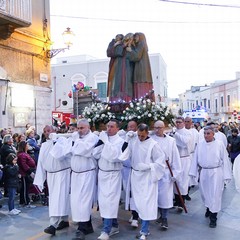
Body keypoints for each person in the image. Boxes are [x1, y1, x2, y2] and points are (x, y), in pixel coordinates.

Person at [120, 123, 166, 240]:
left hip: (148, 177)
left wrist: (148, 166)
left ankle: (144, 231)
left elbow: (160, 163)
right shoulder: (134, 140)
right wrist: (126, 140)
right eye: (139, 135)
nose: (140, 138)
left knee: (147, 204)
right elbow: (123, 154)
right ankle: (145, 229)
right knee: (138, 203)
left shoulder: (153, 145)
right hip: (135, 176)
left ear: (147, 133)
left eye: (143, 136)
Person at [189, 125, 232, 228]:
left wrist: (226, 175)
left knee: (215, 195)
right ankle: (208, 207)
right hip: (204, 172)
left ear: (213, 134)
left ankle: (213, 217)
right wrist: (193, 173)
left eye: (208, 133)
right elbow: (195, 159)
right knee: (205, 193)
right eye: (204, 133)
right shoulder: (200, 144)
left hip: (216, 172)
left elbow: (225, 159)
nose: (206, 135)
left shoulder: (219, 144)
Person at [34, 131, 71, 236]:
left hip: (62, 174)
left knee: (57, 199)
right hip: (51, 175)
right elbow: (41, 161)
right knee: (60, 199)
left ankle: (53, 225)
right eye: (45, 131)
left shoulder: (62, 141)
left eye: (48, 130)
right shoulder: (45, 145)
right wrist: (40, 178)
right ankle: (64, 220)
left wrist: (56, 142)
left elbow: (62, 155)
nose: (47, 133)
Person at [93, 119, 124, 240]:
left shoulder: (121, 141)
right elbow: (95, 153)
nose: (109, 129)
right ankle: (114, 225)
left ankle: (106, 230)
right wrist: (104, 143)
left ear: (117, 129)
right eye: (108, 126)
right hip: (102, 174)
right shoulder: (103, 140)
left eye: (112, 127)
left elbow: (114, 157)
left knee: (110, 202)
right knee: (104, 202)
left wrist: (106, 143)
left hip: (113, 175)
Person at [70, 119, 99, 240]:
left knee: (84, 201)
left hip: (87, 174)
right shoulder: (78, 138)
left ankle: (81, 229)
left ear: (88, 127)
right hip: (76, 175)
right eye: (78, 128)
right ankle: (88, 226)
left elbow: (82, 150)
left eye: (82, 128)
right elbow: (72, 151)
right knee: (76, 201)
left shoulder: (92, 138)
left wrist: (76, 141)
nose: (79, 131)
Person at [152, 120, 181, 230]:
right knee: (156, 197)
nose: (157, 130)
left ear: (164, 128)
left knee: (165, 197)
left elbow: (176, 157)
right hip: (154, 172)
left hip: (166, 172)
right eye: (155, 127)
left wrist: (176, 173)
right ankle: (160, 215)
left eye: (159, 127)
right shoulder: (151, 140)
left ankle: (164, 218)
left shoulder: (171, 141)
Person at [171, 116, 191, 212]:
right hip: (175, 159)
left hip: (184, 159)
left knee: (183, 181)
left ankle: (182, 202)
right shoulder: (173, 132)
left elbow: (184, 142)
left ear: (183, 123)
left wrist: (175, 134)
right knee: (176, 180)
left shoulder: (187, 132)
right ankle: (177, 201)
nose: (178, 124)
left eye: (179, 122)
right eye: (176, 122)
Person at [121, 120, 139, 228]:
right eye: (129, 127)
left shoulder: (139, 139)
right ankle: (133, 213)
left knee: (134, 194)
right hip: (126, 170)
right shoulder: (125, 138)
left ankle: (136, 216)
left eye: (133, 127)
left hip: (136, 171)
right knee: (128, 194)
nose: (131, 129)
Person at [107, 33, 134, 102]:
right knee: (117, 83)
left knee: (125, 83)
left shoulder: (127, 45)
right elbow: (114, 52)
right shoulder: (116, 44)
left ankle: (126, 99)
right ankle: (116, 100)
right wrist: (119, 45)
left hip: (126, 67)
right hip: (117, 66)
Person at [127, 32, 154, 100]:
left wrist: (130, 50)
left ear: (140, 37)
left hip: (141, 70)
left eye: (136, 36)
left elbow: (137, 56)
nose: (135, 38)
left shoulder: (141, 44)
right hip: (141, 70)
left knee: (141, 90)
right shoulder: (141, 45)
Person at [17, 141, 36, 208]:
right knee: (25, 188)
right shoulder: (22, 155)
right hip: (25, 174)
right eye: (27, 145)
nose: (28, 146)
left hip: (26, 173)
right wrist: (30, 172)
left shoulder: (24, 153)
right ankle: (26, 202)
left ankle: (23, 201)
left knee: (25, 188)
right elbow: (23, 165)